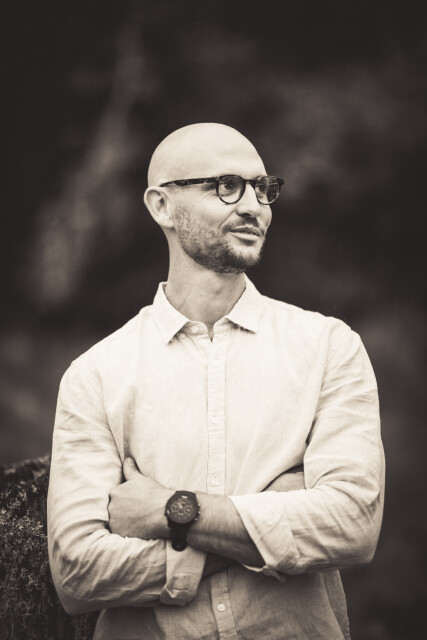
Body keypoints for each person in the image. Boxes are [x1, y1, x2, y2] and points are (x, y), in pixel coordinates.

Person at [48, 123, 385, 640]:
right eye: (227, 185)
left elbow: (353, 525)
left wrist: (171, 512)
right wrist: (268, 522)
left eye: (263, 188)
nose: (254, 207)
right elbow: (77, 573)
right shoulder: (95, 375)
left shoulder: (329, 348)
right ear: (162, 206)